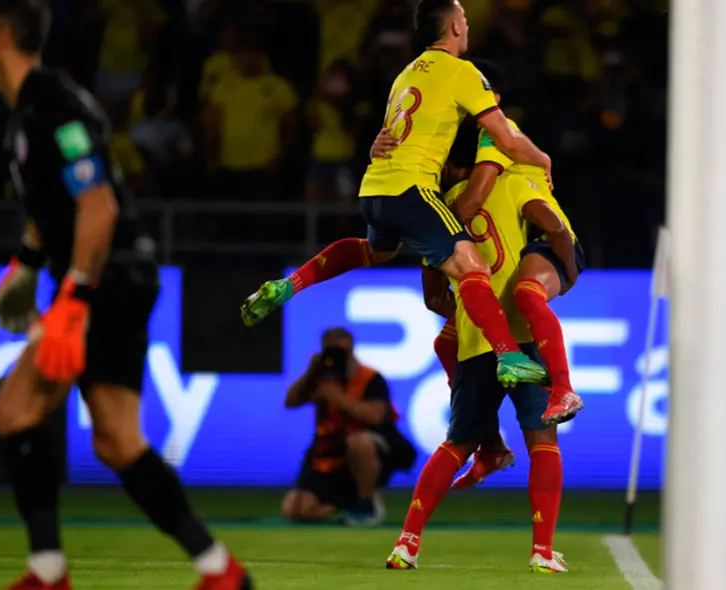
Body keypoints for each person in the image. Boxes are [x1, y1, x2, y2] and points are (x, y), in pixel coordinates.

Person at [0, 1, 252, 588]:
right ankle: (219, 569)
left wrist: (73, 298)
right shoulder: (26, 113)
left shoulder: (52, 105)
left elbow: (99, 207)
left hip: (107, 280)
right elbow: (55, 210)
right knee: (119, 441)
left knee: (14, 411)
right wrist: (26, 263)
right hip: (116, 279)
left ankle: (47, 570)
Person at [241, 0, 555, 389]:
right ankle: (509, 356)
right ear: (455, 27)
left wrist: (376, 146)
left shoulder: (405, 74)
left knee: (376, 251)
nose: (469, 27)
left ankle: (288, 285)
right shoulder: (464, 73)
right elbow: (506, 138)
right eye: (466, 20)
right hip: (411, 188)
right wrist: (543, 159)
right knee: (471, 268)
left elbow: (393, 134)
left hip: (375, 187)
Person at [385, 124, 568, 573]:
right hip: (524, 336)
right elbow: (551, 223)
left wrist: (466, 313)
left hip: (475, 343)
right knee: (542, 440)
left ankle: (406, 544)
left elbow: (432, 297)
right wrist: (566, 266)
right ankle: (542, 551)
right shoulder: (514, 182)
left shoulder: (440, 210)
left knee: (455, 444)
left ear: (450, 164)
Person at [373, 59, 587, 427]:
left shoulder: (493, 132)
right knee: (445, 342)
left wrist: (429, 220)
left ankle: (558, 389)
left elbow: (472, 201)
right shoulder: (453, 130)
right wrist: (379, 145)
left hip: (522, 237)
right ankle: (488, 439)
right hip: (471, 235)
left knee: (525, 297)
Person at [282, 328, 416, 526]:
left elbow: (376, 415)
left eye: (345, 351)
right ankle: (346, 503)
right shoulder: (321, 378)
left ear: (353, 350)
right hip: (330, 453)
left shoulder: (370, 378)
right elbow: (291, 401)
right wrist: (310, 372)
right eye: (333, 351)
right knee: (295, 510)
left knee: (359, 442)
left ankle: (366, 501)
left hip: (372, 450)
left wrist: (337, 398)